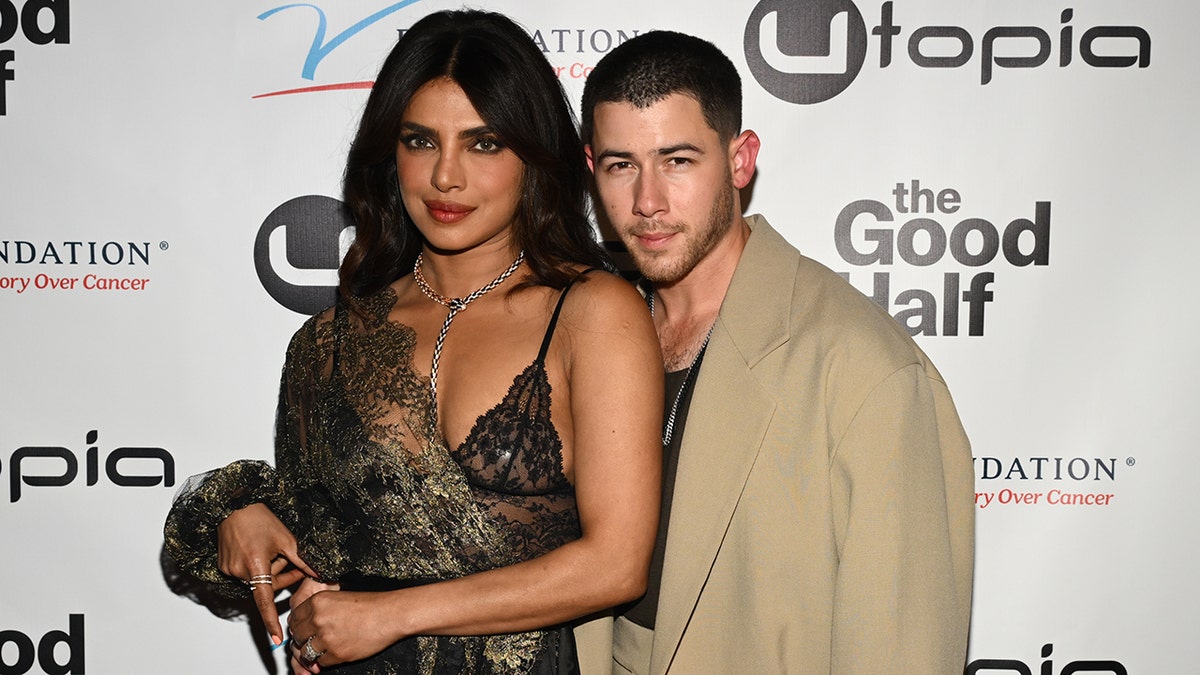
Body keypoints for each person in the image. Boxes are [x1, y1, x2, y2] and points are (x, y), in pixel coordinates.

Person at [163, 10, 662, 674]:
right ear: (389, 153)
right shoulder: (330, 341)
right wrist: (246, 518)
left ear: (533, 155)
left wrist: (393, 613)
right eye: (421, 141)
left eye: (484, 143)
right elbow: (318, 547)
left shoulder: (593, 312)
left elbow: (616, 565)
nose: (446, 177)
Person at [574, 30, 975, 674]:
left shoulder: (865, 367)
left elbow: (905, 649)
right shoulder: (592, 340)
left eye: (677, 161)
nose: (647, 202)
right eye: (623, 165)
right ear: (593, 169)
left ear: (740, 160)